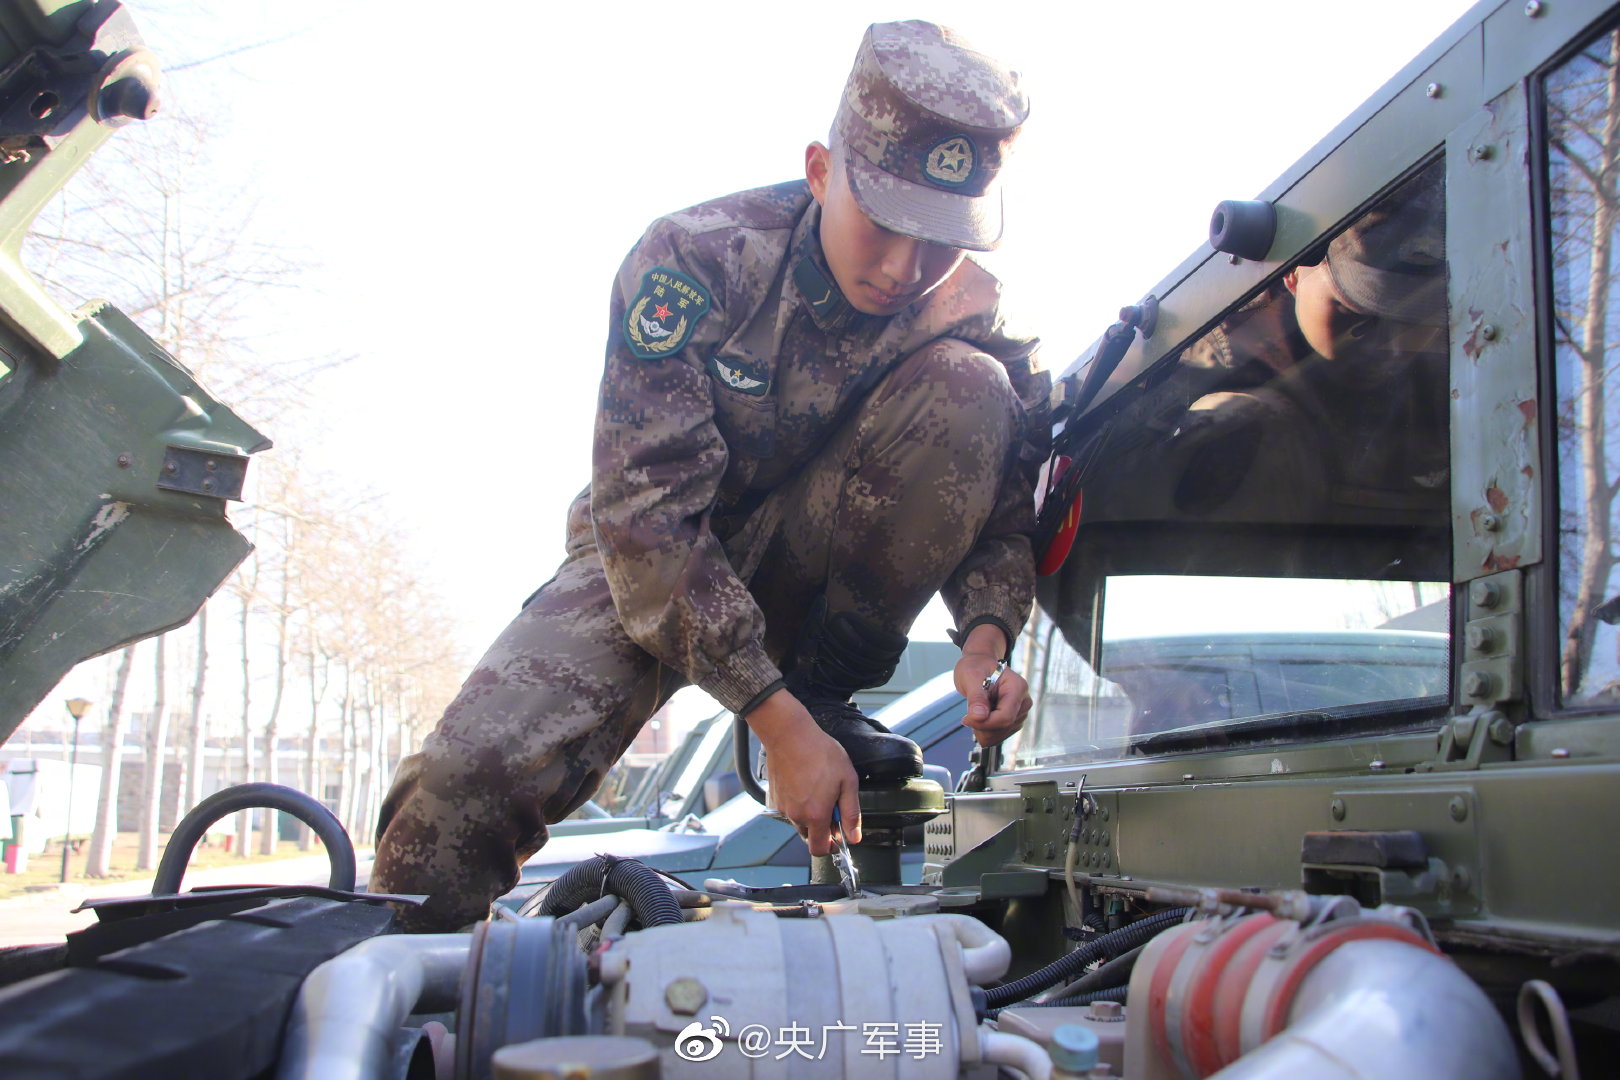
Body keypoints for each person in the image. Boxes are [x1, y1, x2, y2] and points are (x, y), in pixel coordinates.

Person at [372, 20, 1049, 932]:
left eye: (941, 241)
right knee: (462, 790)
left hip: (815, 582)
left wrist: (984, 641)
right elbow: (647, 516)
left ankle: (822, 686)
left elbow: (1007, 504)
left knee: (978, 389)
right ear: (820, 171)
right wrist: (776, 727)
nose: (906, 269)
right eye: (886, 226)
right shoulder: (697, 260)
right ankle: (418, 1005)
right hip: (652, 566)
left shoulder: (972, 314)